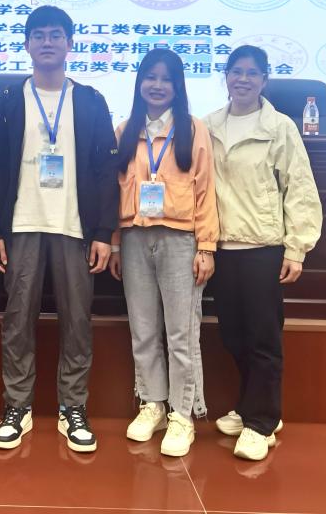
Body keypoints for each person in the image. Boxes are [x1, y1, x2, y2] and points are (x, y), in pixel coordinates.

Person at [0, 5, 119, 454]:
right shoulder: (5, 101)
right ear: (26, 44)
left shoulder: (91, 101)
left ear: (70, 44)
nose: (47, 42)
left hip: (75, 228)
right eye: (38, 35)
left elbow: (105, 171)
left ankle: (72, 407)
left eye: (56, 35)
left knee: (77, 321)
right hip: (22, 225)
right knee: (18, 319)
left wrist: (104, 233)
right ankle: (16, 406)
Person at [204, 45, 322, 461]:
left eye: (252, 73)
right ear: (225, 76)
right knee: (233, 335)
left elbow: (300, 188)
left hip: (262, 247)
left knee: (263, 338)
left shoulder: (280, 127)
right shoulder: (208, 126)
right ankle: (252, 405)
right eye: (236, 71)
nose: (243, 79)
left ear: (264, 80)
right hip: (221, 248)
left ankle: (262, 422)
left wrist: (296, 247)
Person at [109, 49, 218, 457]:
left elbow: (206, 190)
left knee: (181, 333)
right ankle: (152, 403)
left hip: (180, 240)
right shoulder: (125, 130)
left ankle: (182, 413)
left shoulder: (192, 129)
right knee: (143, 330)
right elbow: (114, 190)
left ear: (178, 86)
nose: (157, 85)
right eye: (150, 77)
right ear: (139, 82)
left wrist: (206, 246)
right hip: (134, 239)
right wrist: (116, 243)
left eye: (166, 79)